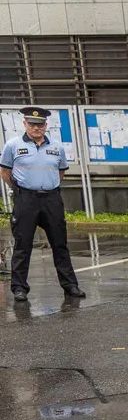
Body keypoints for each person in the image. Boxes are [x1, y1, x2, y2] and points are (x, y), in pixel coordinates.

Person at [1, 106, 84, 302]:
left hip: (51, 199)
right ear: (25, 124)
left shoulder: (57, 147)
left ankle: (70, 285)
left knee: (60, 244)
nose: (36, 128)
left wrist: (47, 184)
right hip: (26, 200)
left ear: (46, 125)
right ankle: (19, 288)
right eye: (32, 124)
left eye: (40, 124)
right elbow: (5, 172)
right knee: (23, 245)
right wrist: (20, 190)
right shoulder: (13, 145)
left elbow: (60, 172)